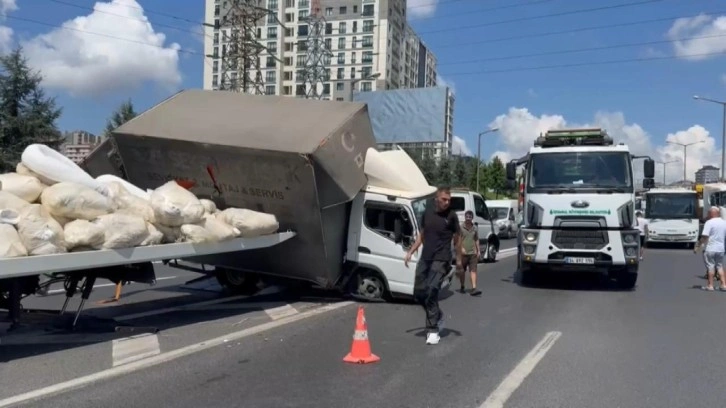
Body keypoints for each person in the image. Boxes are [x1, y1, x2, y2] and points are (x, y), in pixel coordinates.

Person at [404, 186, 461, 345]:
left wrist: (459, 260)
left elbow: (458, 236)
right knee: (419, 293)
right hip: (425, 258)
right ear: (437, 199)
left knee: (431, 290)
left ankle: (433, 330)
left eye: (449, 200)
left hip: (442, 259)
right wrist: (410, 251)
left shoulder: (451, 216)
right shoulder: (427, 213)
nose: (447, 202)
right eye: (444, 199)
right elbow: (422, 235)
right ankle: (438, 315)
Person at [694, 206, 726, 291]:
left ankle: (710, 285)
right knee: (719, 266)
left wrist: (698, 245)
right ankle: (723, 285)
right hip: (721, 249)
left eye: (708, 213)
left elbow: (705, 236)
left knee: (710, 267)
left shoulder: (709, 223)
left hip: (710, 248)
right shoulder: (724, 223)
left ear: (711, 214)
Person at [457, 210, 482, 296]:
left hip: (472, 253)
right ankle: (462, 286)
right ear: (465, 217)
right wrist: (461, 248)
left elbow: (476, 239)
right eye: (467, 217)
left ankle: (474, 288)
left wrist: (478, 250)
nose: (468, 219)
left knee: (473, 270)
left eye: (470, 217)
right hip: (463, 254)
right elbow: (458, 240)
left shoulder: (475, 228)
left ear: (472, 218)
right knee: (462, 271)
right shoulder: (461, 227)